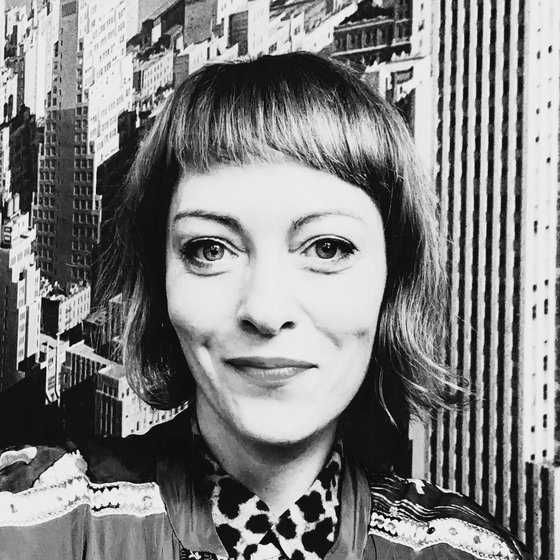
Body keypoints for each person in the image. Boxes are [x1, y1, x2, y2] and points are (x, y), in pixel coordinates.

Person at [0, 53, 528, 559]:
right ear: (160, 282)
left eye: (328, 248)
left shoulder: (464, 553)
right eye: (210, 250)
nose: (266, 310)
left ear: (393, 281)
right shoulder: (35, 526)